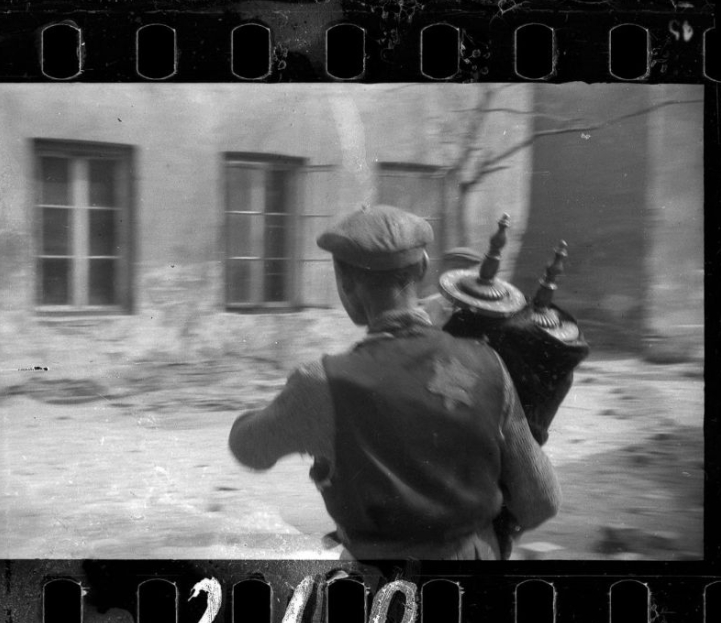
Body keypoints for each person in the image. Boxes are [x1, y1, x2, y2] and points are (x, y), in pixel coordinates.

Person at [228, 204, 561, 560]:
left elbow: (249, 449)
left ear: (346, 283)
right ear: (422, 268)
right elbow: (541, 500)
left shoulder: (323, 383)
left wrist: (289, 410)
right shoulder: (489, 365)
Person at [420, 247, 483, 327]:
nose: (458, 275)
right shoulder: (434, 303)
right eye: (454, 269)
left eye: (465, 269)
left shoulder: (482, 304)